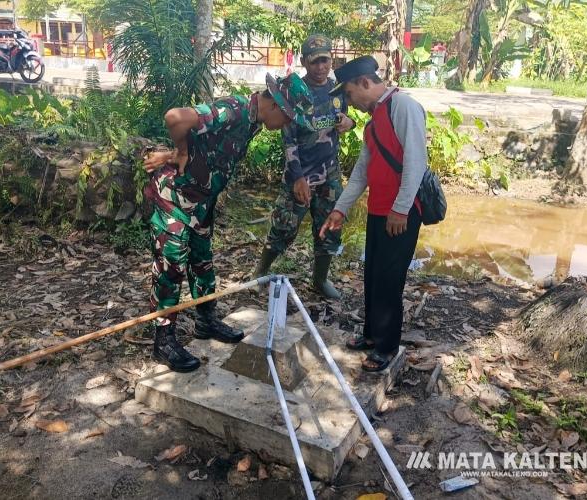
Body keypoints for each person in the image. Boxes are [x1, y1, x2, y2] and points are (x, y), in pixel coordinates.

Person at [142, 73, 314, 373]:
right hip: (175, 197)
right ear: (274, 104)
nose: (287, 125)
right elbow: (175, 118)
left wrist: (180, 153)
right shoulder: (233, 110)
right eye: (287, 117)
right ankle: (164, 340)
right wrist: (179, 152)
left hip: (201, 201)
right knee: (171, 267)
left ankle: (206, 321)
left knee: (202, 262)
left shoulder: (253, 121)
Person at [319, 55, 428, 372]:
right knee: (373, 274)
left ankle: (387, 346)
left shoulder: (403, 108)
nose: (349, 102)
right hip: (380, 210)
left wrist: (401, 208)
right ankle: (371, 334)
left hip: (401, 213)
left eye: (350, 94)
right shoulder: (373, 121)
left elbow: (415, 162)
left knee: (390, 278)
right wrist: (341, 209)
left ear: (365, 82)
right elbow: (361, 172)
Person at [254, 34, 355, 299]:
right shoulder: (294, 92)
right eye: (315, 62)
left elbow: (345, 120)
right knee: (283, 227)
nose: (321, 67)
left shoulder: (337, 90)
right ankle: (260, 271)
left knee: (329, 230)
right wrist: (297, 177)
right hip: (299, 175)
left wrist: (350, 123)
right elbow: (288, 139)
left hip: (330, 174)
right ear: (304, 62)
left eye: (325, 60)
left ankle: (319, 280)